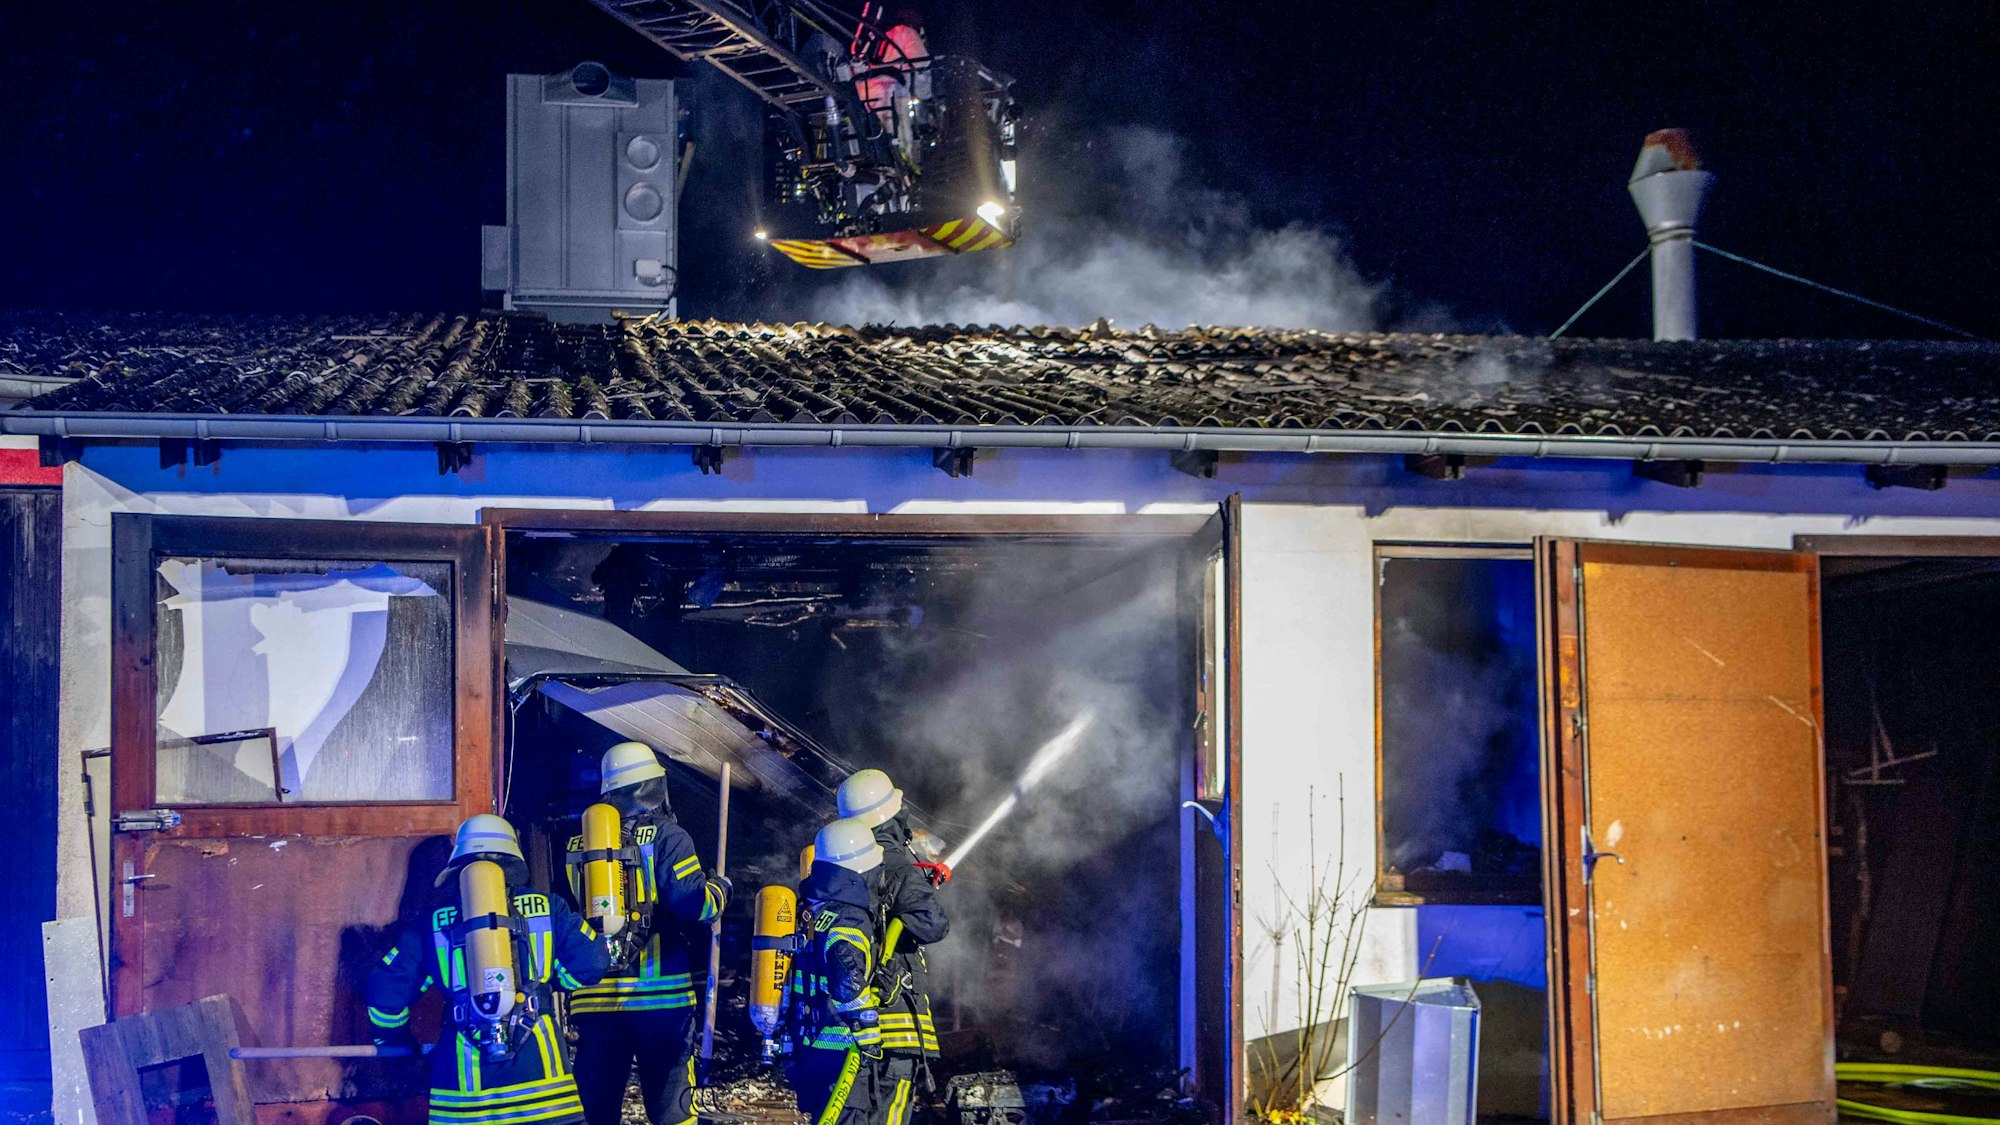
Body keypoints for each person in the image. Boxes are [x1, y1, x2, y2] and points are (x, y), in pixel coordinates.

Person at [367, 814, 610, 1125]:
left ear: (457, 866)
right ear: (512, 859)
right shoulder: (549, 907)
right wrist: (549, 984)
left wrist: (394, 1043)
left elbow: (385, 989)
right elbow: (593, 962)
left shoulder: (432, 923)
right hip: (546, 1095)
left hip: (464, 1102)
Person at [564, 742, 732, 1125]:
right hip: (661, 1001)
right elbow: (695, 905)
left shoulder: (578, 844)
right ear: (653, 786)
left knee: (595, 1110)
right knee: (672, 1107)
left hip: (594, 1002)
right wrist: (721, 889)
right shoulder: (669, 837)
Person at [837, 769, 948, 1125]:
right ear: (893, 816)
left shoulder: (845, 862)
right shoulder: (897, 863)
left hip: (855, 1025)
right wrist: (921, 889)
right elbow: (933, 923)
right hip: (895, 1023)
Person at [787, 817, 888, 1125]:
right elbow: (846, 979)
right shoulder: (848, 915)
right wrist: (867, 1028)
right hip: (841, 1050)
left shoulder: (813, 910)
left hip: (809, 1048)